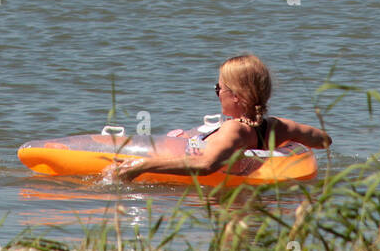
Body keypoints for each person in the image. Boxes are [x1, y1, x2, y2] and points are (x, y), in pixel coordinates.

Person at [111, 55, 331, 182]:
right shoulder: (277, 126)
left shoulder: (235, 130)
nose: (217, 93)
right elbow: (323, 140)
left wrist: (141, 166)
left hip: (219, 203)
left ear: (236, 96)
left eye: (219, 88)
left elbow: (206, 165)